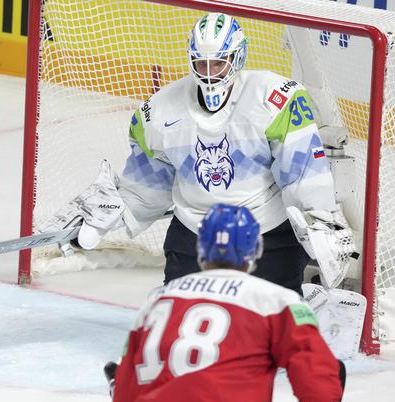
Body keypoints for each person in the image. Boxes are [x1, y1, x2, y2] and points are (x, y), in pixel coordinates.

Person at [62, 12, 356, 294]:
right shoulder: (158, 112)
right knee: (183, 321)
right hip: (195, 233)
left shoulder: (277, 99)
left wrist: (319, 218)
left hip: (267, 233)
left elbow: (301, 172)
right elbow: (148, 185)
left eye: (218, 63)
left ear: (237, 58)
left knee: (272, 326)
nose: (209, 73)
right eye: (201, 64)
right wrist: (108, 215)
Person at [104, 204, 351, 402]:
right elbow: (318, 380)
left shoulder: (158, 300)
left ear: (200, 248)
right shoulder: (278, 301)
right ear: (255, 250)